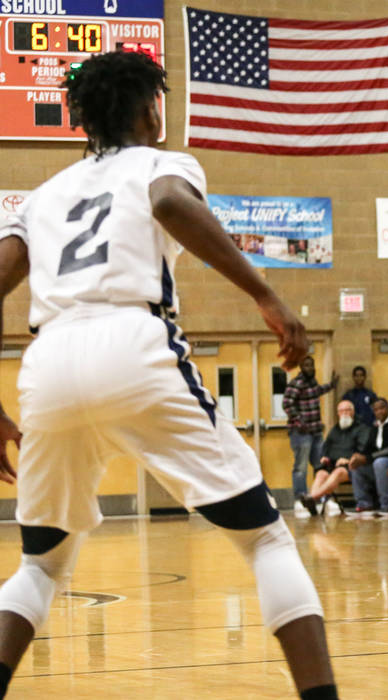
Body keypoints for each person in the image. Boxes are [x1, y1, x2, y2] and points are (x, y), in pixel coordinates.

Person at [0, 51, 337, 699]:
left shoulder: (40, 197)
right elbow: (168, 203)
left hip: (47, 364)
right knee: (266, 540)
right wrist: (265, 296)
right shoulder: (165, 163)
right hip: (132, 340)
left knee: (41, 565)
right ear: (150, 107)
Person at [299, 401, 371, 517]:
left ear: (353, 412)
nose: (344, 413)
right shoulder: (335, 430)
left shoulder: (361, 429)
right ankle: (311, 502)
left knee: (338, 472)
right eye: (341, 411)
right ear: (338, 413)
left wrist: (347, 459)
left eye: (347, 410)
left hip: (352, 467)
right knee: (321, 473)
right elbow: (326, 448)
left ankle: (312, 497)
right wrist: (325, 457)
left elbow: (363, 450)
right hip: (332, 465)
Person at [284, 356, 339, 505]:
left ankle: (319, 497)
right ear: (301, 367)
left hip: (316, 431)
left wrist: (331, 385)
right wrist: (300, 421)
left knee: (320, 465)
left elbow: (318, 391)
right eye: (306, 365)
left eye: (312, 365)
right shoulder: (296, 383)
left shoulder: (312, 382)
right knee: (300, 467)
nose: (310, 368)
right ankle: (300, 499)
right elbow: (287, 404)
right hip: (301, 433)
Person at [357, 397, 388, 516]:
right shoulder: (375, 425)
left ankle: (387, 504)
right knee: (357, 466)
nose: (379, 412)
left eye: (382, 408)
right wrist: (359, 457)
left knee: (379, 463)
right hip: (377, 459)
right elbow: (369, 446)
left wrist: (369, 457)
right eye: (376, 410)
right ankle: (364, 503)